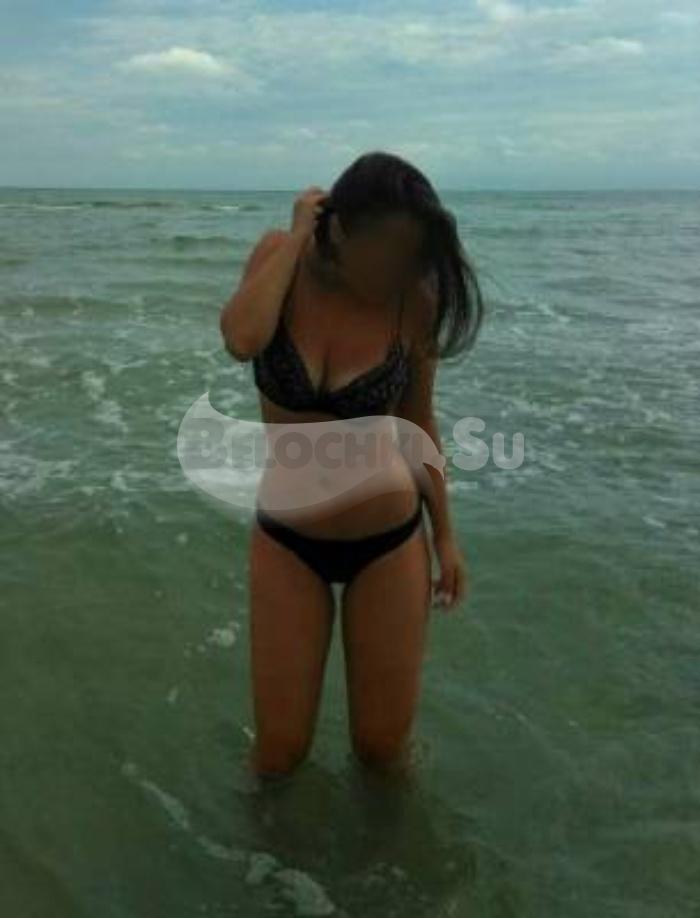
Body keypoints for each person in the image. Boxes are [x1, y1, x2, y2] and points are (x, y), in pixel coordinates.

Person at [219, 150, 485, 782]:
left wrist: (445, 535)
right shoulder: (277, 259)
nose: (403, 270)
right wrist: (296, 237)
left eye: (413, 257)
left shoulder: (412, 300)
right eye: (391, 254)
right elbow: (241, 339)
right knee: (278, 756)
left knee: (382, 755)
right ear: (339, 230)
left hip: (388, 541)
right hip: (288, 540)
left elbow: (418, 420)